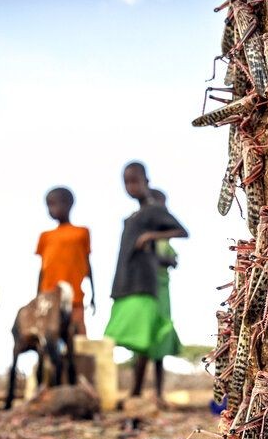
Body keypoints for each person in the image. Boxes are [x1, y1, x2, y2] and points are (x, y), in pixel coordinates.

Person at [104, 162, 188, 402]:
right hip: (126, 282)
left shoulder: (153, 210)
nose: (130, 186)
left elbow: (182, 231)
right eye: (126, 182)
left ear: (146, 182)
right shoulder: (133, 216)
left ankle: (137, 391)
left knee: (143, 338)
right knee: (127, 336)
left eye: (135, 181)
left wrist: (152, 235)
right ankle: (136, 390)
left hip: (146, 282)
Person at [35, 187, 95, 335]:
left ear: (69, 204)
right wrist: (37, 297)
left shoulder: (82, 233)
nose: (51, 209)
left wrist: (94, 294)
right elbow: (42, 269)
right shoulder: (45, 236)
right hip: (49, 297)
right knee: (48, 336)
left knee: (77, 335)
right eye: (49, 205)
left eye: (55, 204)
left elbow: (88, 265)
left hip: (75, 297)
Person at [149, 189, 183, 362]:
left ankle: (158, 387)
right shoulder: (145, 233)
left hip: (163, 288)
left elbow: (174, 261)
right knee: (147, 332)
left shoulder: (163, 239)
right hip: (149, 289)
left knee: (162, 330)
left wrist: (165, 259)